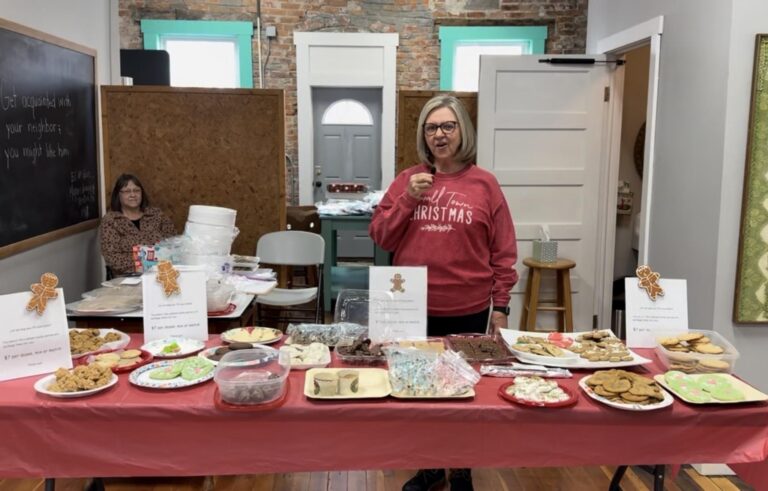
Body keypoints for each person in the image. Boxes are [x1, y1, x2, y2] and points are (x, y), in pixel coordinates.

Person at [369, 95, 518, 491]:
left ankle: (462, 468)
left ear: (462, 131)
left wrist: (501, 306)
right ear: (424, 135)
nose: (439, 134)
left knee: (463, 392)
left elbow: (503, 251)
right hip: (412, 310)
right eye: (431, 127)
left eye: (448, 126)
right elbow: (381, 236)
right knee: (420, 393)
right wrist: (409, 198)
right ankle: (430, 467)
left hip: (468, 308)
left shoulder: (485, 184)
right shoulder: (407, 180)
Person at [100, 173, 176, 276]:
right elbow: (112, 258)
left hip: (162, 273)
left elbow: (173, 244)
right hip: (128, 277)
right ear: (118, 195)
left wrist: (158, 261)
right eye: (127, 191)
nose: (133, 195)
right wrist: (146, 263)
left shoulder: (157, 215)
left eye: (136, 190)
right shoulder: (111, 220)